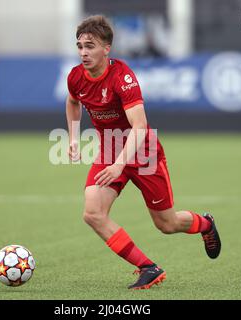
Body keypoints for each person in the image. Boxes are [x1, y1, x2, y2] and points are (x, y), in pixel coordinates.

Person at [66, 15, 221, 290]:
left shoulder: (122, 77)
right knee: (92, 213)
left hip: (143, 151)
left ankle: (205, 225)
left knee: (167, 223)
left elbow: (140, 126)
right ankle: (148, 267)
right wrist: (74, 137)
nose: (83, 52)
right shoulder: (76, 76)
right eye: (79, 46)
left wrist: (118, 166)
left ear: (106, 48)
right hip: (111, 149)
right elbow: (73, 101)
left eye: (89, 46)